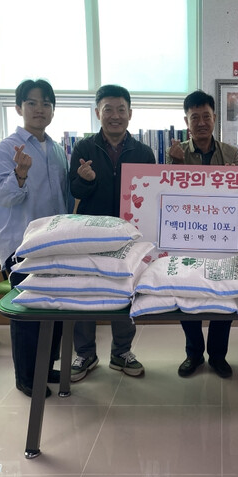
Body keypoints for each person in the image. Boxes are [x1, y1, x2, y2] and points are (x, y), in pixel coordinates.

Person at [68, 84, 156, 381]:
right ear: (98, 113)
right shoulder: (84, 148)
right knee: (85, 289)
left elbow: (151, 195)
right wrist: (86, 180)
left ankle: (122, 352)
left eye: (121, 109)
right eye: (108, 109)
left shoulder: (143, 152)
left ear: (130, 113)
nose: (115, 116)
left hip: (129, 234)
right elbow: (75, 190)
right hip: (90, 231)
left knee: (125, 289)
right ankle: (85, 353)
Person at [0, 78, 70, 397]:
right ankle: (25, 377)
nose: (40, 109)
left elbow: (63, 198)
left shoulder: (57, 150)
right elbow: (1, 195)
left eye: (46, 103)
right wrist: (20, 174)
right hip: (22, 246)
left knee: (55, 309)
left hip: (56, 244)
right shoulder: (7, 149)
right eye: (32, 103)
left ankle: (45, 367)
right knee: (28, 313)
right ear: (18, 108)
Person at [167, 90, 238, 379]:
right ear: (186, 121)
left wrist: (237, 178)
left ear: (214, 118)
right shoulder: (176, 153)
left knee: (225, 294)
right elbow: (169, 194)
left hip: (222, 236)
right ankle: (194, 354)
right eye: (194, 117)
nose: (201, 122)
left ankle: (218, 356)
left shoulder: (230, 153)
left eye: (206, 116)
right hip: (188, 236)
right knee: (187, 295)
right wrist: (176, 164)